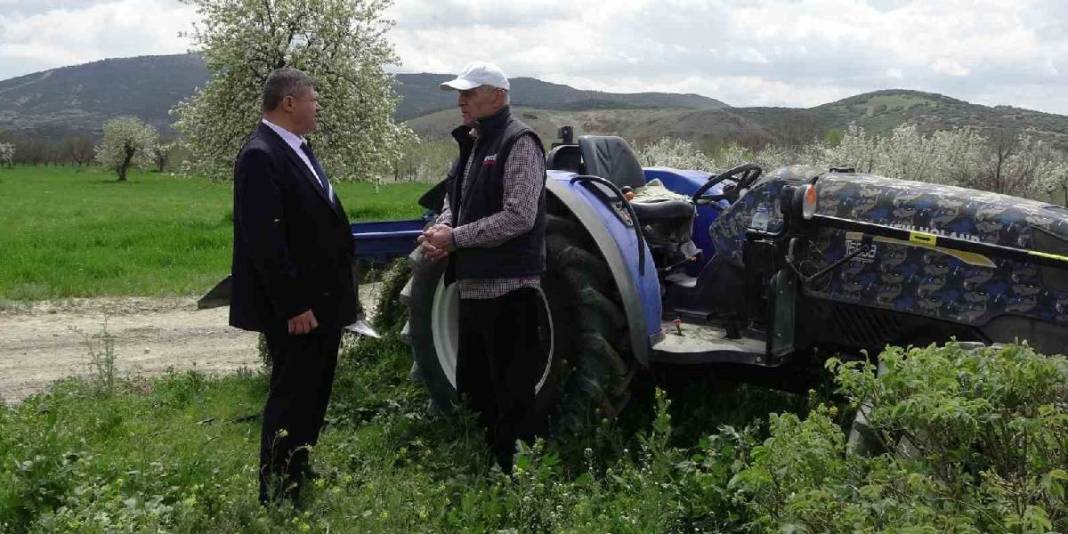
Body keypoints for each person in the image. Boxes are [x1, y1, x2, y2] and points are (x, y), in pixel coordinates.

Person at [229, 67, 358, 505]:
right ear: (289, 103)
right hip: (299, 310)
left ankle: (298, 468)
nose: (317, 106)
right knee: (291, 396)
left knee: (313, 393)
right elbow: (266, 241)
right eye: (313, 99)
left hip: (322, 304)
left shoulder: (298, 149)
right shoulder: (260, 155)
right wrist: (293, 304)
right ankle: (278, 491)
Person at [418, 61, 548, 473]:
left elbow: (519, 216)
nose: (461, 101)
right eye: (460, 94)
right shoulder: (472, 145)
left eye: (469, 93)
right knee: (478, 391)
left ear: (497, 96)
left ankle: (518, 481)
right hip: (472, 291)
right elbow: (453, 202)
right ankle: (488, 470)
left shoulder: (519, 142)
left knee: (513, 395)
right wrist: (441, 230)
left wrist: (454, 239)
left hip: (510, 292)